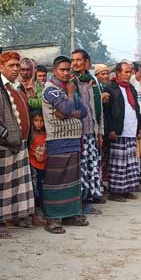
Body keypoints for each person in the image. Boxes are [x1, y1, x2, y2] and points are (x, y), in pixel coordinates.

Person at [0, 51, 35, 236]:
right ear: (1, 67)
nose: (16, 69)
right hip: (3, 144)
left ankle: (16, 217)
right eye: (11, 66)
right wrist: (4, 133)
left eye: (17, 65)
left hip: (19, 143)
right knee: (1, 186)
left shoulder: (17, 85)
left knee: (17, 185)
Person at [41, 56, 89, 233]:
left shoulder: (68, 88)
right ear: (54, 71)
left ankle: (70, 215)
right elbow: (68, 108)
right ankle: (52, 219)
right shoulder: (51, 90)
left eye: (68, 69)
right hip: (58, 140)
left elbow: (83, 111)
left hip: (73, 140)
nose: (66, 73)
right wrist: (69, 97)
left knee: (72, 180)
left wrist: (69, 111)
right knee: (56, 181)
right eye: (62, 70)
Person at [70, 49, 105, 211]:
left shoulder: (91, 81)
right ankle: (81, 202)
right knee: (80, 168)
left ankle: (91, 197)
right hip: (77, 132)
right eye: (73, 60)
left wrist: (100, 132)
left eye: (79, 60)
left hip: (91, 131)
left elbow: (97, 110)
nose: (75, 63)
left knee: (92, 165)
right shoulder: (70, 81)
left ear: (86, 62)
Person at [105, 62, 141, 202]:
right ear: (118, 73)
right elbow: (108, 112)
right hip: (118, 130)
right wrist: (111, 129)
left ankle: (127, 189)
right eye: (126, 72)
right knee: (118, 163)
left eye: (130, 72)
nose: (128, 74)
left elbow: (136, 109)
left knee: (130, 162)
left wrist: (139, 128)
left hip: (131, 129)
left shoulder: (131, 88)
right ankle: (115, 192)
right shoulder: (111, 88)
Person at [28, 110, 48, 224]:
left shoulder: (45, 135)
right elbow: (29, 149)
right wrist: (34, 154)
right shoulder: (31, 136)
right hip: (34, 165)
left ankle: (43, 214)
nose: (39, 123)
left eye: (41, 121)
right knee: (34, 190)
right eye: (36, 120)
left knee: (42, 190)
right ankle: (34, 215)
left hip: (43, 165)